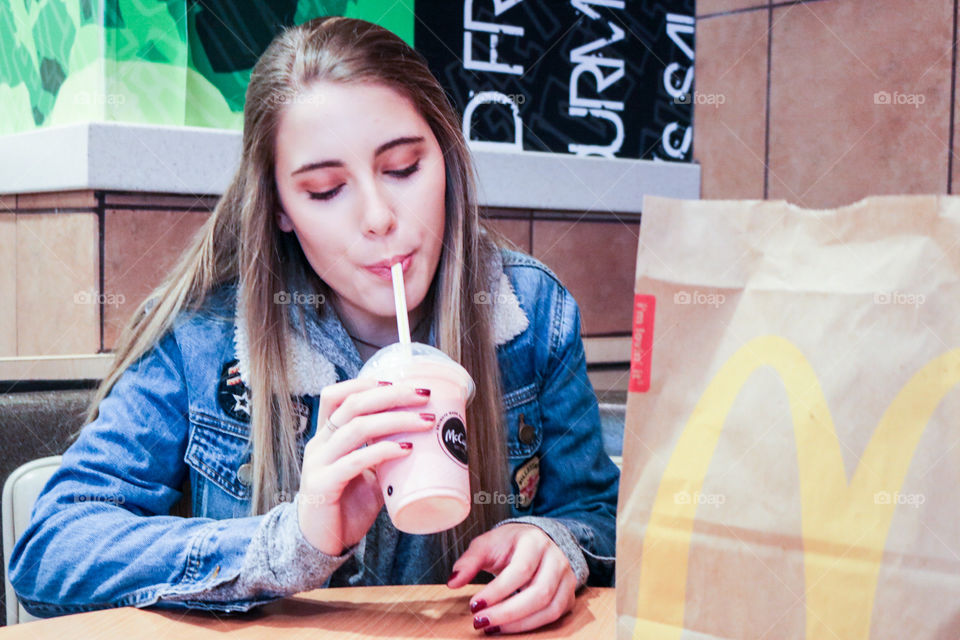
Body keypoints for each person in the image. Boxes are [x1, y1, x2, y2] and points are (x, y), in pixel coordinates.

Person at [9, 16, 619, 635]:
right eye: (326, 189)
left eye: (404, 168)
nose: (379, 217)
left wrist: (558, 541)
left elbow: (600, 512)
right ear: (279, 207)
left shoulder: (529, 311)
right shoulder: (204, 334)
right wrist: (292, 542)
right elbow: (52, 552)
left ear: (447, 160)